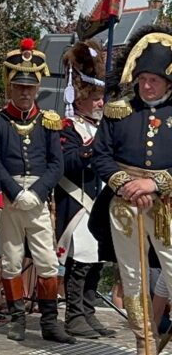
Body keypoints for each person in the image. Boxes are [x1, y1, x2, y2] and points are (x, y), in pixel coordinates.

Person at [90, 25, 172, 355]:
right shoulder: (118, 111)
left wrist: (154, 185)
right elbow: (101, 156)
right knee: (133, 275)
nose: (146, 85)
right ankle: (145, 341)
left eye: (154, 80)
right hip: (124, 204)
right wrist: (125, 184)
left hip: (166, 204)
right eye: (142, 78)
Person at [0, 39, 72, 344]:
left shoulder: (48, 122)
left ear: (37, 89)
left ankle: (50, 321)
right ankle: (16, 317)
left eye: (30, 87)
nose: (25, 92)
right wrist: (13, 190)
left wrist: (37, 192)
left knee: (47, 260)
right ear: (10, 86)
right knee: (10, 260)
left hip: (37, 198)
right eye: (19, 86)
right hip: (11, 199)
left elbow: (56, 164)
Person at [56, 40, 115, 338]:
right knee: (81, 261)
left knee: (97, 260)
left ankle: (88, 312)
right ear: (79, 99)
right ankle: (74, 315)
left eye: (100, 97)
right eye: (94, 98)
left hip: (98, 202)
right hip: (78, 204)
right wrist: (94, 148)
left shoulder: (99, 128)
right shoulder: (68, 126)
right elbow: (67, 162)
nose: (100, 103)